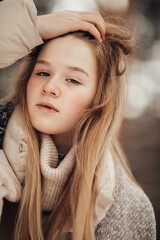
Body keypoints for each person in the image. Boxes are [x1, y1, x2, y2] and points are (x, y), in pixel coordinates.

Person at [0, 1, 156, 240]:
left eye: (72, 80)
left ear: (99, 99)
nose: (50, 87)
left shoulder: (128, 208)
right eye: (43, 72)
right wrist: (32, 27)